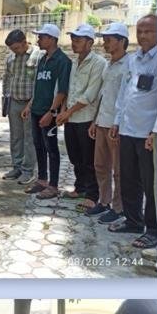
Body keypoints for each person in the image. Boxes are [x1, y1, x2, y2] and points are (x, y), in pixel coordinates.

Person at [110, 13, 157, 251]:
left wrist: (156, 131)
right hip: (128, 129)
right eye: (139, 31)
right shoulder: (133, 59)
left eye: (148, 31)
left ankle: (154, 230)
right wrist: (117, 122)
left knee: (151, 185)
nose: (143, 35)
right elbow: (124, 92)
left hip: (147, 133)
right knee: (129, 178)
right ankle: (133, 220)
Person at [57, 25, 105, 205]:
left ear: (90, 42)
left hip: (86, 118)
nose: (73, 43)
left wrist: (68, 112)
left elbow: (90, 94)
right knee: (75, 157)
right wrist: (63, 111)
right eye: (73, 39)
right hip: (71, 118)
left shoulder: (99, 63)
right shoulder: (74, 62)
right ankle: (80, 187)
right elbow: (69, 89)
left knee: (89, 159)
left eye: (78, 40)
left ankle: (92, 195)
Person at [23, 23, 71, 201]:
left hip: (49, 112)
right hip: (37, 109)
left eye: (42, 37)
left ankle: (53, 185)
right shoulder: (42, 59)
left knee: (51, 148)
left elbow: (62, 91)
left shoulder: (63, 61)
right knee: (39, 146)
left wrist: (51, 112)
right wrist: (30, 105)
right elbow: (38, 85)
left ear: (52, 39)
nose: (38, 40)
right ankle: (42, 180)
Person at [90, 22, 130, 225]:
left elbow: (126, 99)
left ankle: (118, 207)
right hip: (102, 122)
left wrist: (118, 123)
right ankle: (104, 201)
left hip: (117, 125)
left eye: (109, 40)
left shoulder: (129, 65)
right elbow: (103, 94)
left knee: (118, 169)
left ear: (122, 41)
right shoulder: (108, 64)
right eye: (104, 40)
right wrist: (95, 121)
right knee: (100, 165)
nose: (105, 43)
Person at [1, 29, 35, 181]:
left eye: (16, 48)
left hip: (30, 103)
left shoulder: (37, 56)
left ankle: (28, 170)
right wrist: (6, 97)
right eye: (12, 49)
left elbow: (38, 83)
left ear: (24, 42)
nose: (14, 51)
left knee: (29, 138)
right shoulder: (11, 58)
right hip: (14, 102)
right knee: (16, 137)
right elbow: (7, 77)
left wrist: (31, 104)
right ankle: (17, 167)